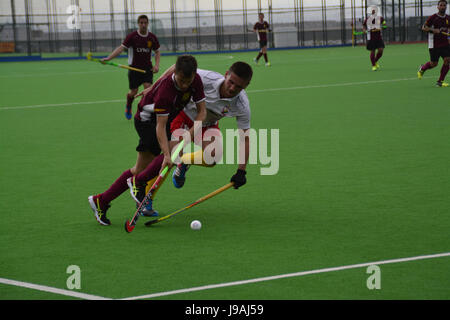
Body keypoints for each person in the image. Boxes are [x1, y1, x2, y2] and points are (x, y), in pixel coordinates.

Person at [88, 55, 206, 226]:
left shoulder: (195, 80)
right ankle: (136, 183)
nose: (185, 85)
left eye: (188, 81)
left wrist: (189, 135)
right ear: (176, 75)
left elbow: (202, 112)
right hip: (147, 120)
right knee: (167, 154)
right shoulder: (167, 92)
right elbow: (160, 126)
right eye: (181, 81)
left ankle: (102, 200)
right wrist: (166, 154)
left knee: (140, 168)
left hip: (163, 118)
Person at [127, 62, 253, 212]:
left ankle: (184, 162)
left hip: (207, 124)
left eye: (239, 87)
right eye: (231, 82)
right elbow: (178, 66)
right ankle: (147, 197)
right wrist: (154, 87)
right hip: (183, 116)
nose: (232, 88)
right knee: (171, 156)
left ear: (246, 86)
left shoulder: (242, 105)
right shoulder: (207, 78)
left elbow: (245, 137)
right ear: (226, 74)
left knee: (213, 156)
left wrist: (241, 171)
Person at [102, 15, 161, 120]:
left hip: (147, 69)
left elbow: (157, 52)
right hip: (134, 69)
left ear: (148, 24)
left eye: (145, 23)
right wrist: (109, 58)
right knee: (133, 92)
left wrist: (156, 65)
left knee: (147, 90)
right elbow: (121, 48)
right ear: (138, 24)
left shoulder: (152, 37)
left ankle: (142, 111)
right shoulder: (132, 36)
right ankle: (129, 105)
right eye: (141, 23)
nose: (143, 25)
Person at [417, 0, 450, 87]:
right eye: (441, 5)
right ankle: (422, 68)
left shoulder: (448, 18)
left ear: (446, 7)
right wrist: (433, 30)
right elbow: (424, 27)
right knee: (434, 64)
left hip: (445, 44)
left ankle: (440, 82)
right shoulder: (433, 17)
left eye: (444, 5)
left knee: (447, 60)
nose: (443, 7)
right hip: (434, 44)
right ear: (438, 7)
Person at [362, 6, 386, 71]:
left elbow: (384, 24)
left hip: (378, 37)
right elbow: (364, 26)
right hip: (371, 38)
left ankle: (375, 61)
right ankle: (373, 65)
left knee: (381, 50)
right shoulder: (368, 19)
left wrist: (383, 26)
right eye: (372, 11)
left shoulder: (380, 18)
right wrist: (364, 30)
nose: (373, 12)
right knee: (373, 51)